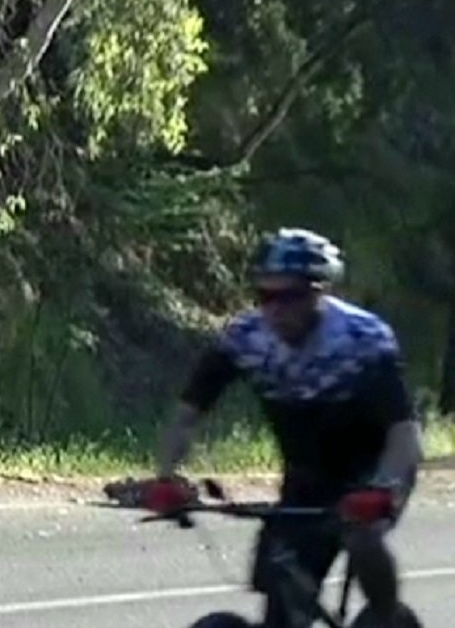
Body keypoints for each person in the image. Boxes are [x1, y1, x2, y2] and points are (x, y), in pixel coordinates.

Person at [143, 227, 424, 627]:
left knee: (363, 539)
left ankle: (387, 617)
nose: (275, 309)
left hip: (373, 470)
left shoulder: (362, 339)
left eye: (289, 297)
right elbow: (187, 414)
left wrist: (382, 488)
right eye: (265, 296)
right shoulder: (246, 338)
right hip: (306, 477)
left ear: (318, 292)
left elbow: (404, 434)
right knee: (277, 576)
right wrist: (166, 477)